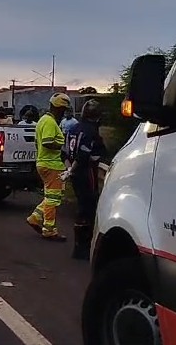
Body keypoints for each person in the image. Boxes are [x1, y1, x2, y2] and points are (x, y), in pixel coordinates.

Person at [62, 99, 106, 259]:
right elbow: (83, 155)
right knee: (89, 208)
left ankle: (79, 247)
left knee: (82, 206)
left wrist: (69, 170)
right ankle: (84, 247)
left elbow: (64, 153)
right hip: (86, 172)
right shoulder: (90, 132)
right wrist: (73, 169)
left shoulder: (73, 129)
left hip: (75, 173)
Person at [26, 92, 71, 241]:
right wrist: (61, 145)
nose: (64, 113)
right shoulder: (50, 122)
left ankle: (35, 217)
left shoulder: (44, 120)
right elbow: (47, 142)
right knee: (53, 200)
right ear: (59, 108)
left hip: (45, 163)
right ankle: (49, 230)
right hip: (51, 165)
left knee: (52, 196)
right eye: (63, 110)